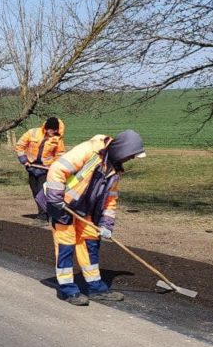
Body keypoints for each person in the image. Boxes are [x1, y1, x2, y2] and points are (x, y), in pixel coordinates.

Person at [44, 130, 146, 306]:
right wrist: (55, 199)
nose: (129, 160)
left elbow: (110, 199)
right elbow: (57, 169)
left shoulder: (114, 170)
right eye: (130, 156)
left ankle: (96, 288)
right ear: (122, 149)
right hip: (63, 207)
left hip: (87, 211)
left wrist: (106, 224)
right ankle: (68, 290)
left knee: (91, 243)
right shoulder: (89, 150)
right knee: (66, 247)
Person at [15, 117, 64, 223]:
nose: (53, 132)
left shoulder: (57, 140)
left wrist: (55, 166)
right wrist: (24, 160)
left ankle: (44, 215)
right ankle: (43, 213)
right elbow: (20, 146)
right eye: (51, 130)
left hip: (45, 170)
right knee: (35, 192)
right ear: (46, 128)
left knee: (42, 192)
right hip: (31, 167)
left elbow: (59, 155)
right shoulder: (33, 133)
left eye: (55, 130)